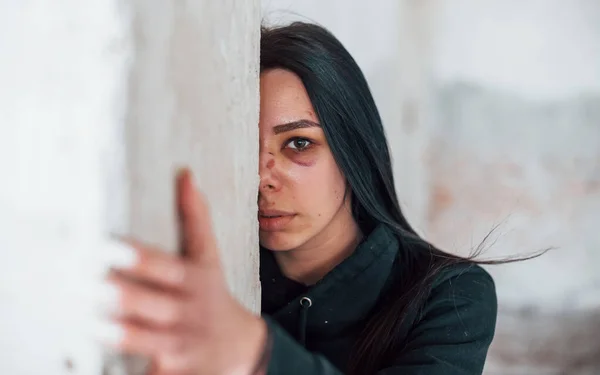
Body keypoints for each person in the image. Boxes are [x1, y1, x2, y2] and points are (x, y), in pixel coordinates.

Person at [103, 22, 498, 375]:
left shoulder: (450, 297)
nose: (262, 178)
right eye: (246, 149)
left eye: (298, 143)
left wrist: (255, 353)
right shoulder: (229, 281)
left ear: (352, 149)